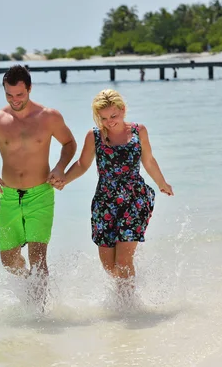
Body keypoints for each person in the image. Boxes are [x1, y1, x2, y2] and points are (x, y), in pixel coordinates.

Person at [0, 65, 76, 300]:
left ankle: (38, 315)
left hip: (40, 194)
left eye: (20, 94)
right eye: (9, 95)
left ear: (29, 89)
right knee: (9, 261)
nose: (15, 100)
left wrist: (60, 167)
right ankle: (29, 289)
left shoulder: (49, 116)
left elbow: (69, 143)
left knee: (38, 258)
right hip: (8, 196)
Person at [61, 89, 173, 297]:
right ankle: (127, 291)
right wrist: (63, 180)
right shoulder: (94, 136)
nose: (110, 121)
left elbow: (148, 160)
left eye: (113, 115)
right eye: (104, 118)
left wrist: (161, 183)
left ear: (122, 110)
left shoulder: (139, 131)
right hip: (105, 202)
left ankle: (129, 306)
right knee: (109, 266)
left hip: (135, 199)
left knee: (123, 262)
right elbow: (82, 164)